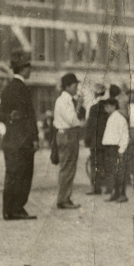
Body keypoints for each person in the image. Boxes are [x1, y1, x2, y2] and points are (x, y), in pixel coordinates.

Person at [0, 51, 39, 220]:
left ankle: (9, 210)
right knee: (23, 175)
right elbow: (30, 117)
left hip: (10, 141)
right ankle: (17, 209)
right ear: (23, 68)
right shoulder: (23, 89)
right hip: (24, 141)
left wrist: (10, 118)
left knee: (12, 175)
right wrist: (35, 138)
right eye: (29, 66)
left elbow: (0, 114)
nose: (30, 70)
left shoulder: (7, 89)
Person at [53, 72, 84, 209]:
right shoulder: (64, 100)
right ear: (67, 86)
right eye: (75, 85)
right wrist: (79, 111)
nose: (77, 88)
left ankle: (66, 197)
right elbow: (72, 120)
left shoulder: (68, 100)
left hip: (68, 134)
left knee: (69, 167)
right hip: (67, 134)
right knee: (67, 168)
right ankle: (63, 199)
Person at [101, 98, 130, 203]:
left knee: (120, 172)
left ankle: (122, 194)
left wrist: (122, 150)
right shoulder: (111, 118)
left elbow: (125, 135)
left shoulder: (119, 118)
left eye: (107, 106)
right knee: (113, 172)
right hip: (110, 147)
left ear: (113, 106)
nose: (106, 108)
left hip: (116, 148)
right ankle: (116, 193)